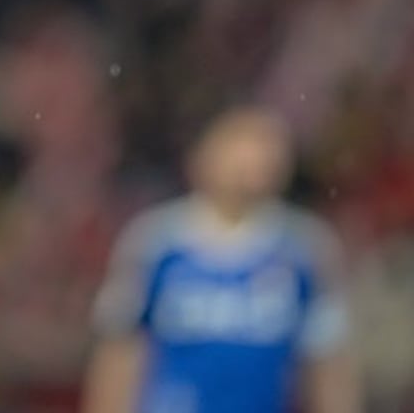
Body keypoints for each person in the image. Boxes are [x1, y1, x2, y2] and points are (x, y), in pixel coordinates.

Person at [82, 107, 360, 413]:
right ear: (203, 157)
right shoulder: (156, 242)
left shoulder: (305, 247)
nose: (250, 162)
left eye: (264, 150)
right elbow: (120, 349)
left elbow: (327, 359)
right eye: (238, 147)